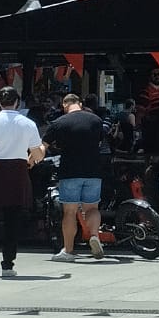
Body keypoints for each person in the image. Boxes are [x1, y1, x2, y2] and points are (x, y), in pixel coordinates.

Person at [0, 87, 44, 278]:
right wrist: (29, 160)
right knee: (12, 220)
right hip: (18, 171)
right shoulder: (28, 123)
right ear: (17, 102)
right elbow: (37, 154)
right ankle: (7, 265)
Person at [44, 94, 109, 262]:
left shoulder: (59, 123)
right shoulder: (95, 120)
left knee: (70, 212)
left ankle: (68, 250)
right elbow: (101, 142)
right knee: (92, 208)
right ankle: (94, 235)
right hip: (93, 171)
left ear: (65, 105)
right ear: (80, 104)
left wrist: (29, 161)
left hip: (70, 171)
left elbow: (43, 147)